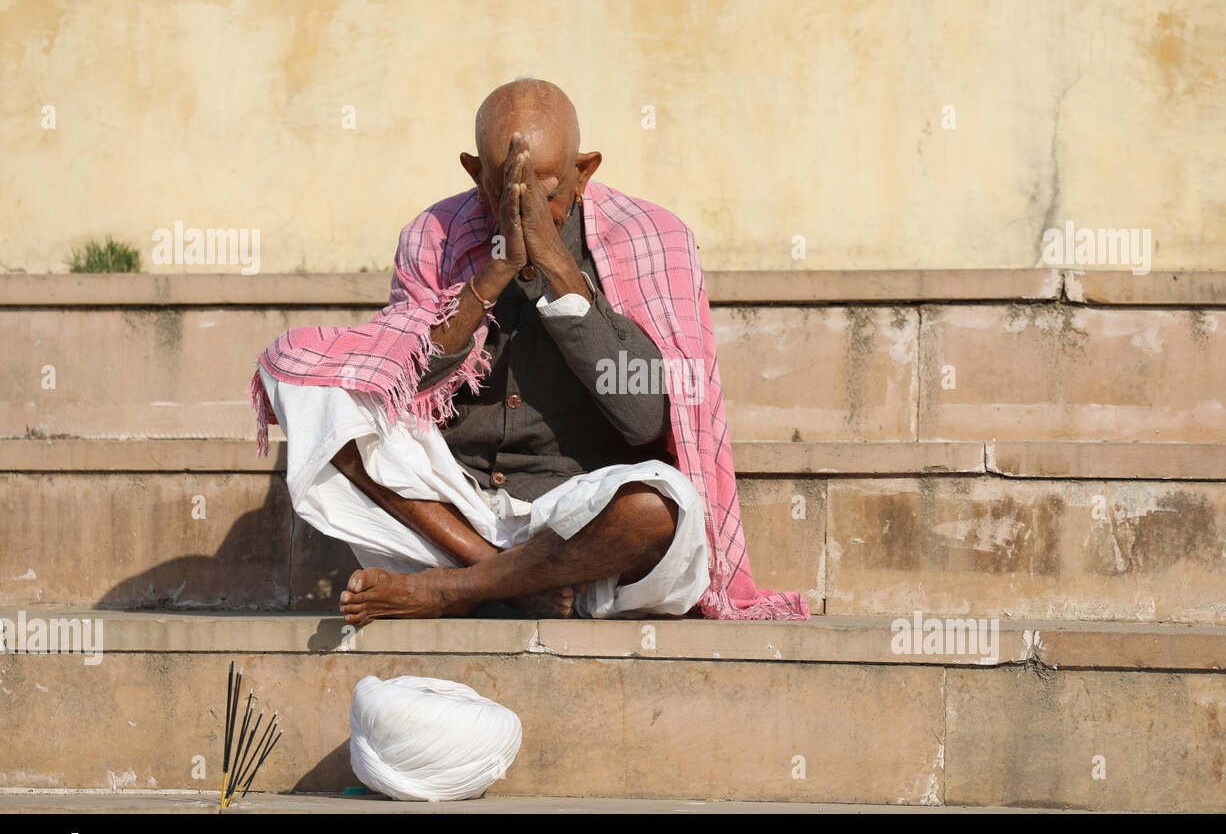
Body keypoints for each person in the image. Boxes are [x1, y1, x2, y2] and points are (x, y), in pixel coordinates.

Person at [249, 78, 807, 626]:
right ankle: (507, 580)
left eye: (547, 192)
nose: (525, 212)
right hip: (451, 508)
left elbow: (644, 419)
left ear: (585, 171)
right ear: (474, 174)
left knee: (662, 508)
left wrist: (557, 270)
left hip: (579, 514)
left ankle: (454, 591)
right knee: (302, 377)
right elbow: (404, 384)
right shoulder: (434, 235)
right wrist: (492, 277)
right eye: (505, 194)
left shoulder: (652, 238)